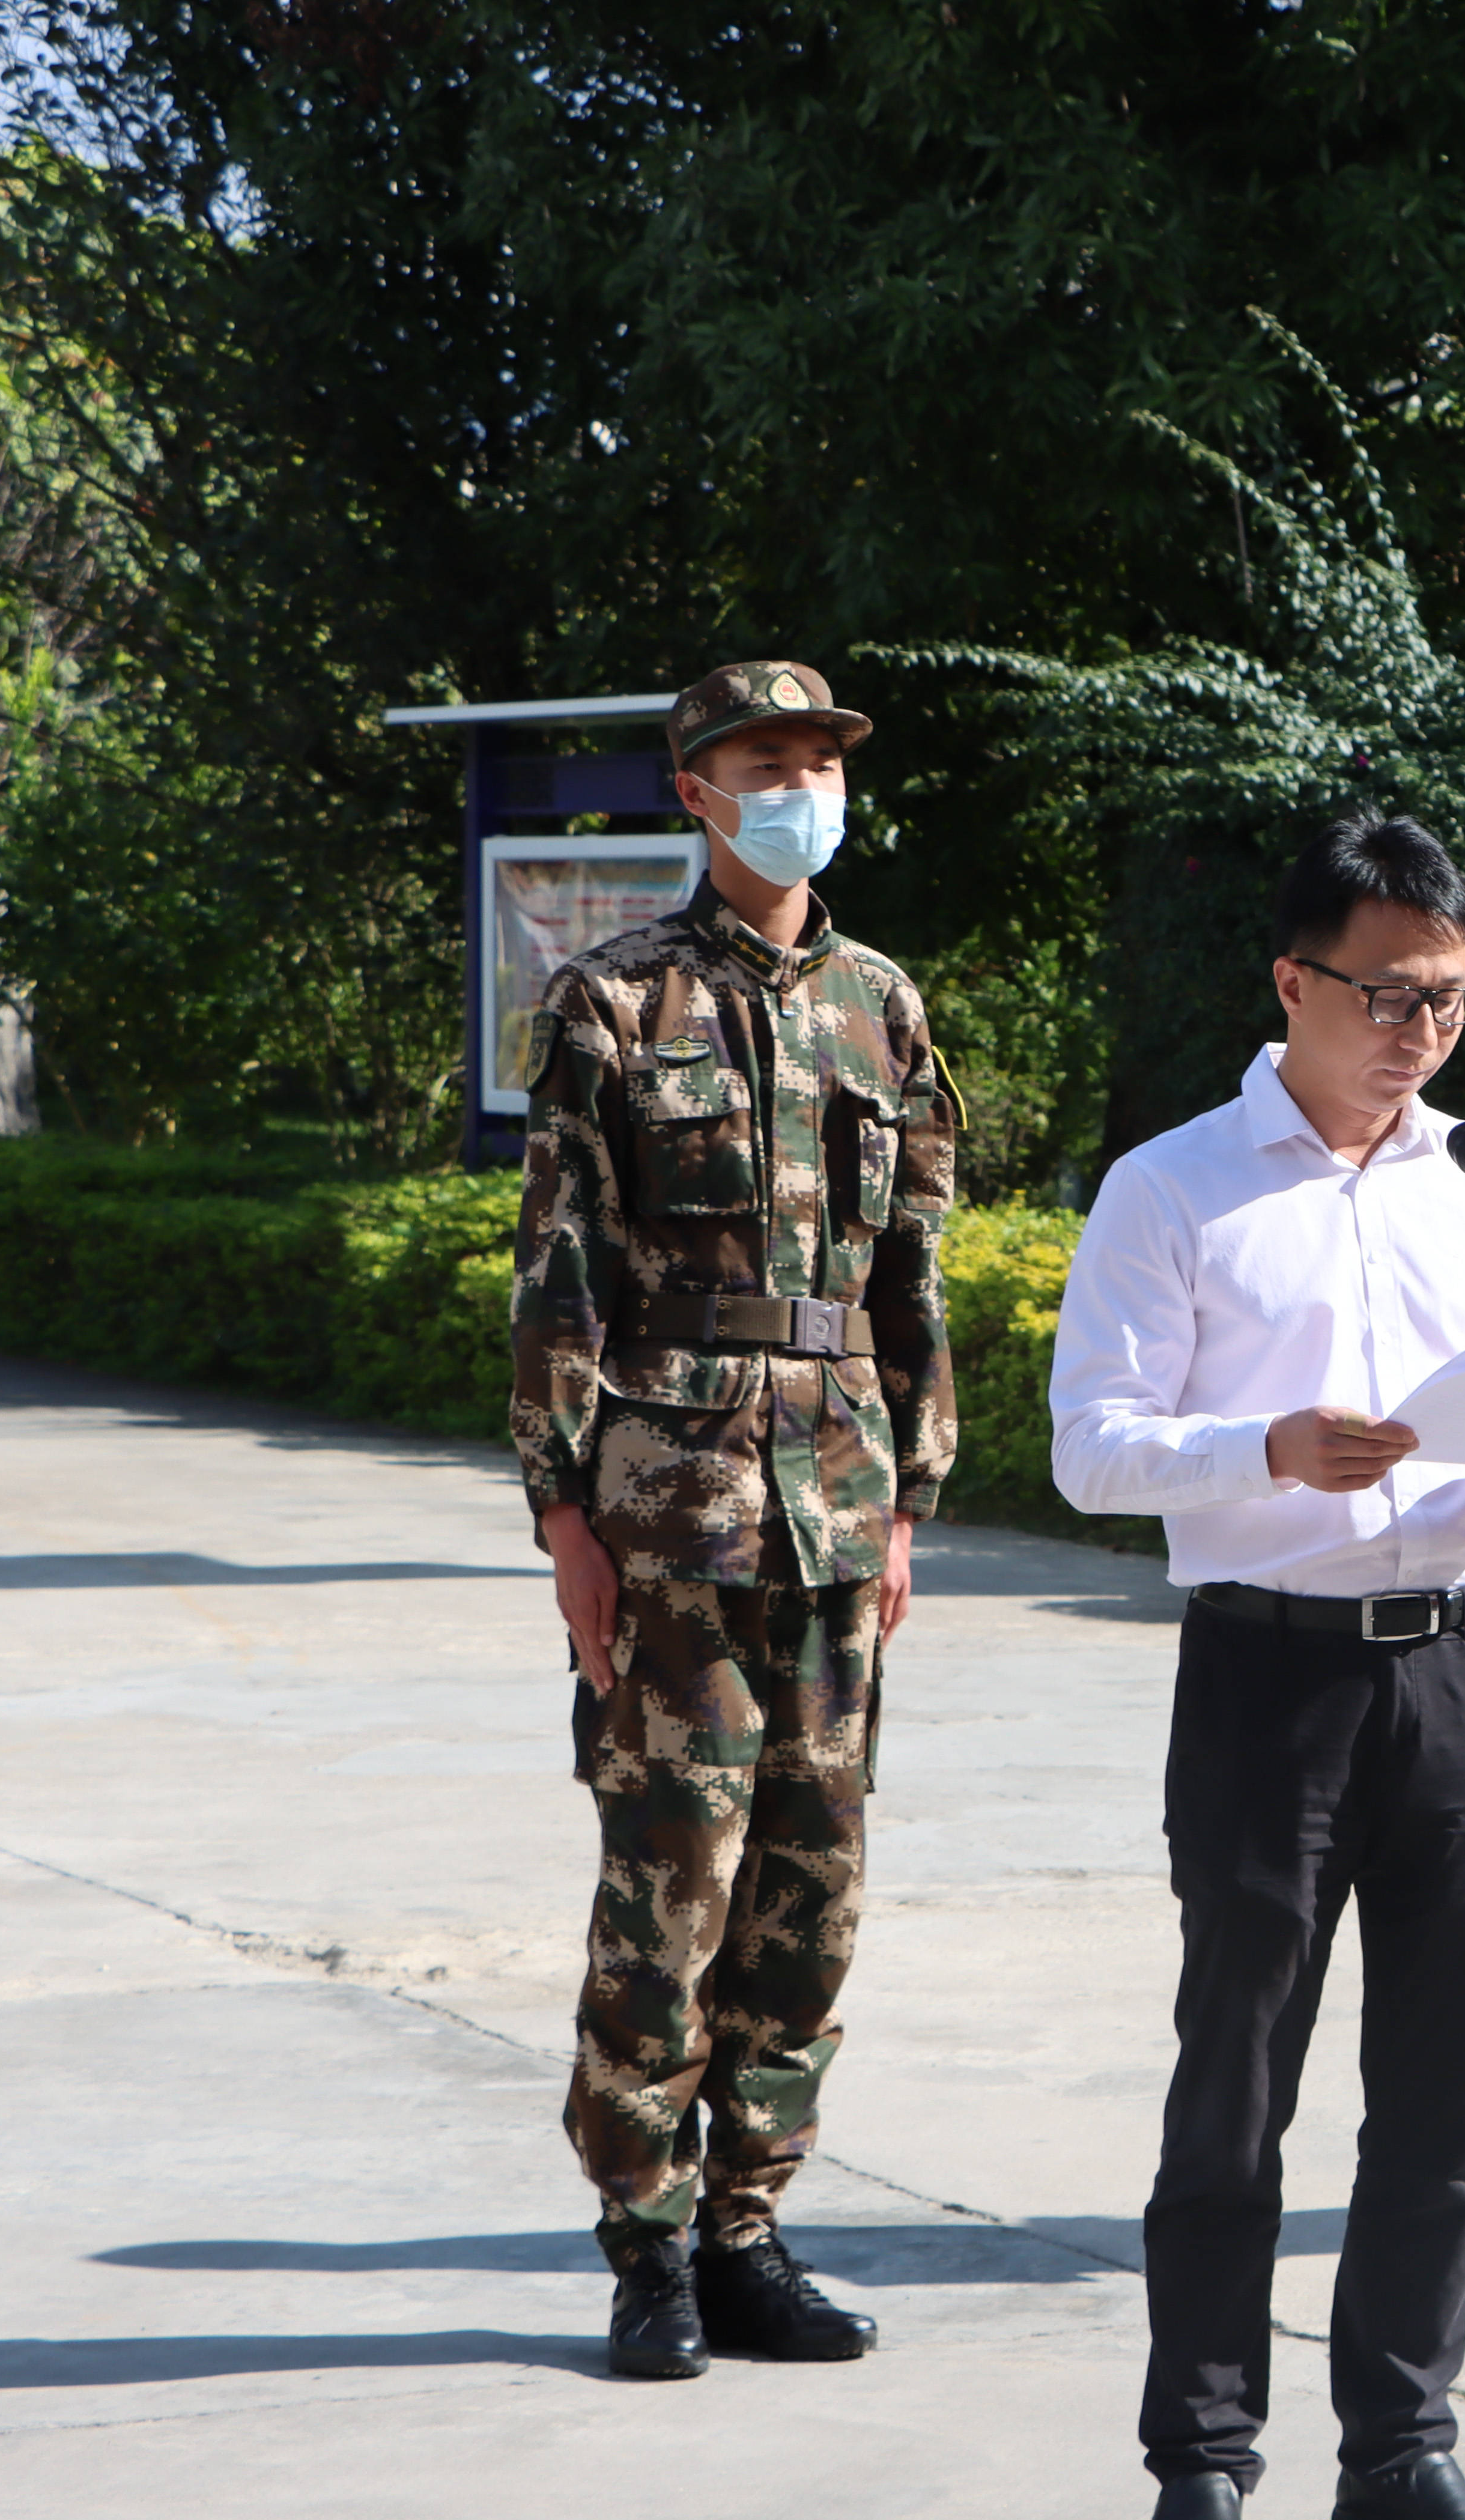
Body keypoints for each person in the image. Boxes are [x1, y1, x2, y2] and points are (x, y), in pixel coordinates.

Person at [1050, 809, 1465, 2520]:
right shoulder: (1174, 1188)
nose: (1415, 1032)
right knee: (1239, 2084)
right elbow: (1086, 1451)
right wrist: (1261, 1447)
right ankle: (1201, 2458)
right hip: (1271, 1673)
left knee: (1441, 2097)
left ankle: (1400, 2449)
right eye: (1381, 995)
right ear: (1291, 982)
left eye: (1443, 998)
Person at [511, 659, 957, 2376]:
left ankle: (750, 2227)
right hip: (668, 1509)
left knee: (812, 1883)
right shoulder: (612, 1005)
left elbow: (909, 1275)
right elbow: (561, 1271)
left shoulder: (883, 1007)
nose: (798, 786)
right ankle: (646, 2249)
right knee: (669, 1884)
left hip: (836, 1511)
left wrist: (908, 1500)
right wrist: (563, 1512)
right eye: (761, 762)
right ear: (694, 791)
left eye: (817, 761)